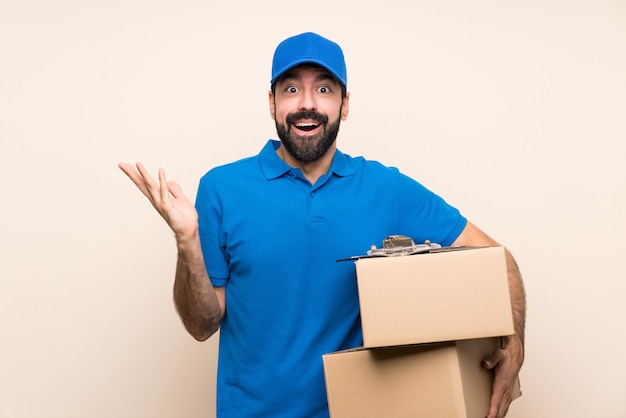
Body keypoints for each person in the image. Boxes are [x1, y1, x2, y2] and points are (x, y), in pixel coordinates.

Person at [119, 32, 525, 418]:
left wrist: (515, 345)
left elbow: (496, 258)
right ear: (272, 102)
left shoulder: (387, 189)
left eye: (325, 89)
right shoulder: (222, 188)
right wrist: (186, 240)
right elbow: (201, 325)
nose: (306, 104)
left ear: (345, 104)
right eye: (291, 89)